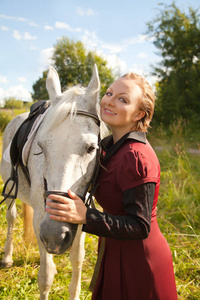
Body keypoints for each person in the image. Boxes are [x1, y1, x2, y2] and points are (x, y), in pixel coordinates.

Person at [45, 73, 178, 300]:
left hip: (140, 260)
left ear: (139, 114)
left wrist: (87, 216)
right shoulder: (109, 148)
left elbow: (139, 226)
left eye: (123, 99)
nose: (109, 101)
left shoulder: (136, 157)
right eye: (109, 93)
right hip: (115, 248)